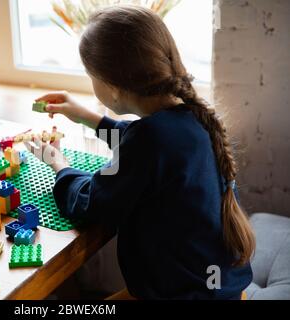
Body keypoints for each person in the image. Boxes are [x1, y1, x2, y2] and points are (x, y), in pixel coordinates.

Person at [24, 5, 255, 299]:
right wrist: (89, 118)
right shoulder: (191, 117)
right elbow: (142, 145)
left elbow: (90, 204)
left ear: (113, 87)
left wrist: (60, 166)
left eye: (90, 75)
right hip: (222, 290)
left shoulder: (149, 140)